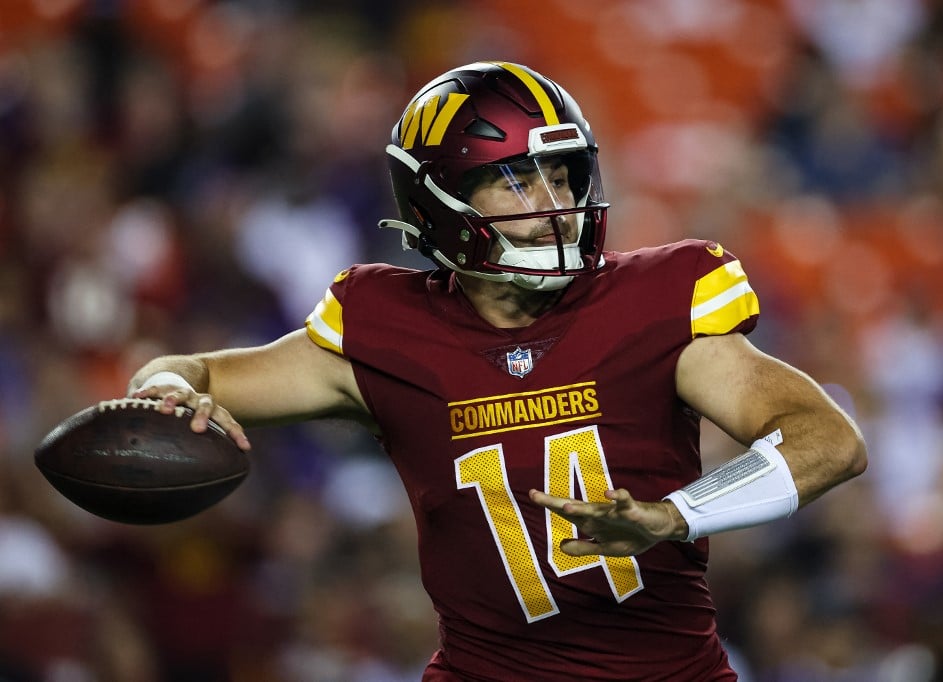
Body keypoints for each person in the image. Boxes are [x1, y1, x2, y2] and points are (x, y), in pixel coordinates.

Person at [129, 61, 867, 681]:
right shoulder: (385, 328)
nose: (556, 208)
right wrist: (166, 392)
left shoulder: (654, 303)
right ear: (441, 199)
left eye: (563, 174)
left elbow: (829, 441)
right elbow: (190, 372)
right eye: (516, 180)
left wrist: (676, 515)